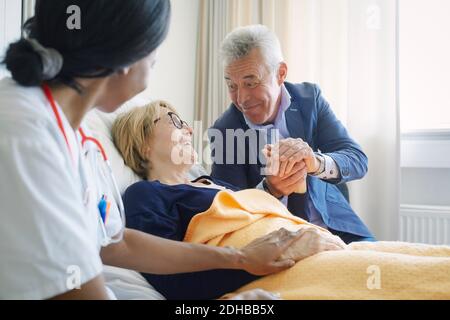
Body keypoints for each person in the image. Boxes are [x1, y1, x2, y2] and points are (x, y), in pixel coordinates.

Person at [0, 1, 300, 300]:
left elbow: (117, 244)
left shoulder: (83, 145)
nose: (188, 130)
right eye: (155, 52)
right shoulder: (25, 131)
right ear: (129, 56)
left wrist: (240, 258)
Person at [112, 100, 346, 299]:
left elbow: (288, 227)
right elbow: (173, 281)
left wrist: (296, 186)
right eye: (174, 120)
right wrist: (272, 257)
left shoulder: (218, 186)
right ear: (143, 145)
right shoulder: (145, 194)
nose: (189, 130)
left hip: (319, 253)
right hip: (280, 275)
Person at [209, 25, 374, 244]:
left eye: (250, 83)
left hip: (337, 227)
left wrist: (315, 162)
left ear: (281, 73)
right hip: (277, 240)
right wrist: (270, 189)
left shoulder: (309, 100)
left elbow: (357, 159)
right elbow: (230, 214)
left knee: (386, 267)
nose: (241, 98)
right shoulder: (225, 130)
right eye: (232, 85)